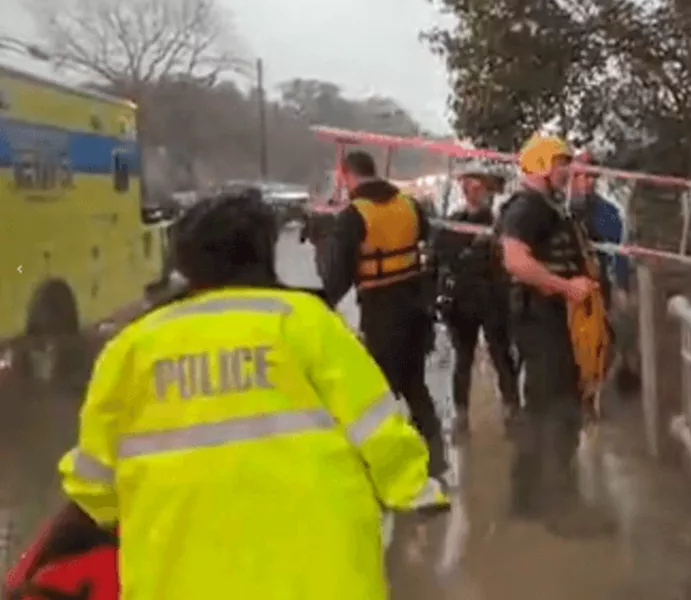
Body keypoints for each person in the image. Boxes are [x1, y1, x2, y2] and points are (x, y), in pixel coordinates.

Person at [55, 188, 444, 600]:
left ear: (184, 262)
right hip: (324, 579)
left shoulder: (131, 348)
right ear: (264, 253)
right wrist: (418, 492)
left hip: (179, 581)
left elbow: (93, 484)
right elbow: (379, 428)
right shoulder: (306, 323)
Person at [496, 134, 614, 538]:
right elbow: (514, 259)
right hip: (544, 324)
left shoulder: (545, 207)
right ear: (544, 163)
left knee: (540, 411)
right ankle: (560, 509)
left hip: (549, 322)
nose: (569, 171)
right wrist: (566, 288)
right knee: (558, 415)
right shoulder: (528, 207)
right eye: (563, 163)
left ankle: (525, 500)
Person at [322, 150, 450, 496]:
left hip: (382, 312)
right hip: (416, 308)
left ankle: (386, 467)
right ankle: (436, 458)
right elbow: (429, 242)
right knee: (415, 385)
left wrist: (321, 304)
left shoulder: (353, 215)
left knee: (379, 395)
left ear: (345, 175)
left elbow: (338, 277)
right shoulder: (409, 205)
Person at [433, 164, 521, 435]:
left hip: (493, 298)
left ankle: (512, 410)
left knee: (501, 355)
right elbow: (440, 258)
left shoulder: (501, 224)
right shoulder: (453, 222)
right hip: (462, 301)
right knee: (463, 359)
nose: (475, 191)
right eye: (470, 185)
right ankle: (461, 415)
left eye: (481, 186)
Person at [567, 152, 639, 394]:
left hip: (599, 283)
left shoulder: (608, 213)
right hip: (565, 283)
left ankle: (606, 382)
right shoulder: (558, 209)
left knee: (618, 330)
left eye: (590, 177)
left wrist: (621, 286)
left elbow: (618, 252)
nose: (585, 182)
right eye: (579, 176)